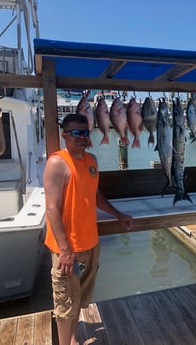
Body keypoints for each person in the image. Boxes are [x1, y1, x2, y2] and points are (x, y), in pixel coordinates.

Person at [43, 113, 133, 345]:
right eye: (76, 133)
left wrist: (118, 215)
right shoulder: (56, 163)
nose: (82, 137)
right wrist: (64, 249)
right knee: (65, 304)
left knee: (80, 298)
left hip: (91, 244)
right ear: (65, 135)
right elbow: (51, 209)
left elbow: (95, 196)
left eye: (85, 132)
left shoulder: (92, 160)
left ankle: (72, 338)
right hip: (68, 250)